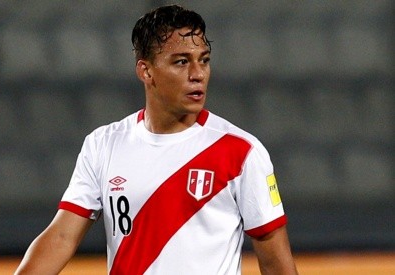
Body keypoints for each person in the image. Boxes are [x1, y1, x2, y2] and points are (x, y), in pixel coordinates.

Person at [15, 5, 298, 275]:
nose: (198, 74)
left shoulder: (241, 151)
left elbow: (276, 264)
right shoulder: (103, 144)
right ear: (145, 71)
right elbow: (62, 236)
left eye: (204, 60)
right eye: (182, 62)